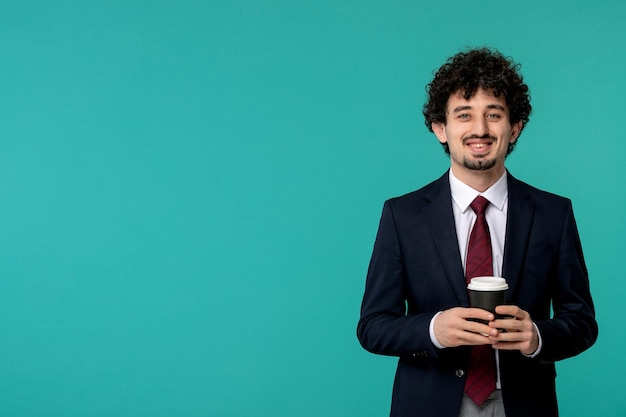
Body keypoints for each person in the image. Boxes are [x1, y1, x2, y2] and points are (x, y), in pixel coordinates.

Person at [356, 48, 598, 417]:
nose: (480, 130)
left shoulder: (554, 213)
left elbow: (582, 321)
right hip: (428, 404)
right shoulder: (401, 215)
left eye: (494, 115)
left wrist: (537, 338)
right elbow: (373, 326)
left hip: (525, 405)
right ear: (441, 128)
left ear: (514, 127)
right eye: (464, 115)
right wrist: (435, 329)